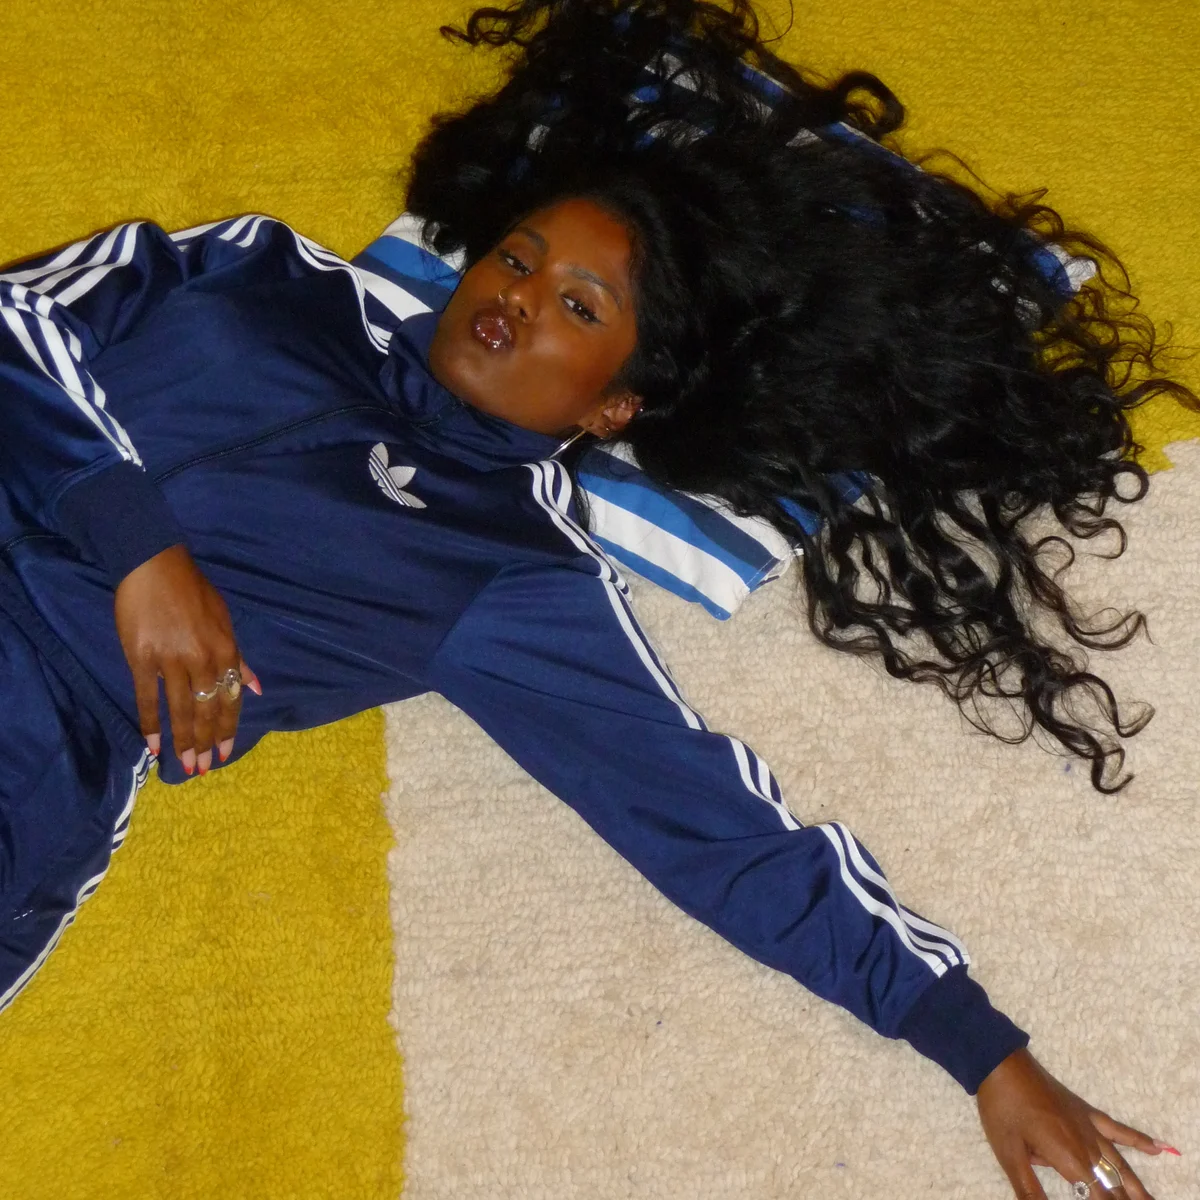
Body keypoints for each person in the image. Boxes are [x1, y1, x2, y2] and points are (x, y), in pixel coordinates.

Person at [0, 1, 1190, 1195]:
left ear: (612, 407)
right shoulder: (268, 273)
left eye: (579, 308)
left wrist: (980, 1050)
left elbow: (709, 827)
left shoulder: (512, 574)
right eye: (519, 259)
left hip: (37, 746)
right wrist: (138, 544)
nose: (520, 297)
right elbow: (19, 315)